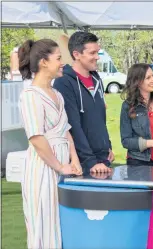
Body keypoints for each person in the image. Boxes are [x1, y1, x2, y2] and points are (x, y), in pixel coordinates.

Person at [18, 39, 82, 249]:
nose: (62, 63)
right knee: (43, 225)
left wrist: (74, 159)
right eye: (58, 58)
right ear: (44, 62)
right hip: (43, 167)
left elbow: (65, 129)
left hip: (62, 166)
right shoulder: (30, 96)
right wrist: (59, 166)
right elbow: (36, 138)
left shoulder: (58, 94)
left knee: (61, 224)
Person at [54, 31, 114, 174]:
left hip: (103, 158)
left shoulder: (97, 80)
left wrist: (107, 146)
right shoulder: (64, 82)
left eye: (97, 52)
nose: (97, 57)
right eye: (92, 53)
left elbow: (100, 118)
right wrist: (90, 161)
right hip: (84, 163)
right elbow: (73, 125)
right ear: (76, 55)